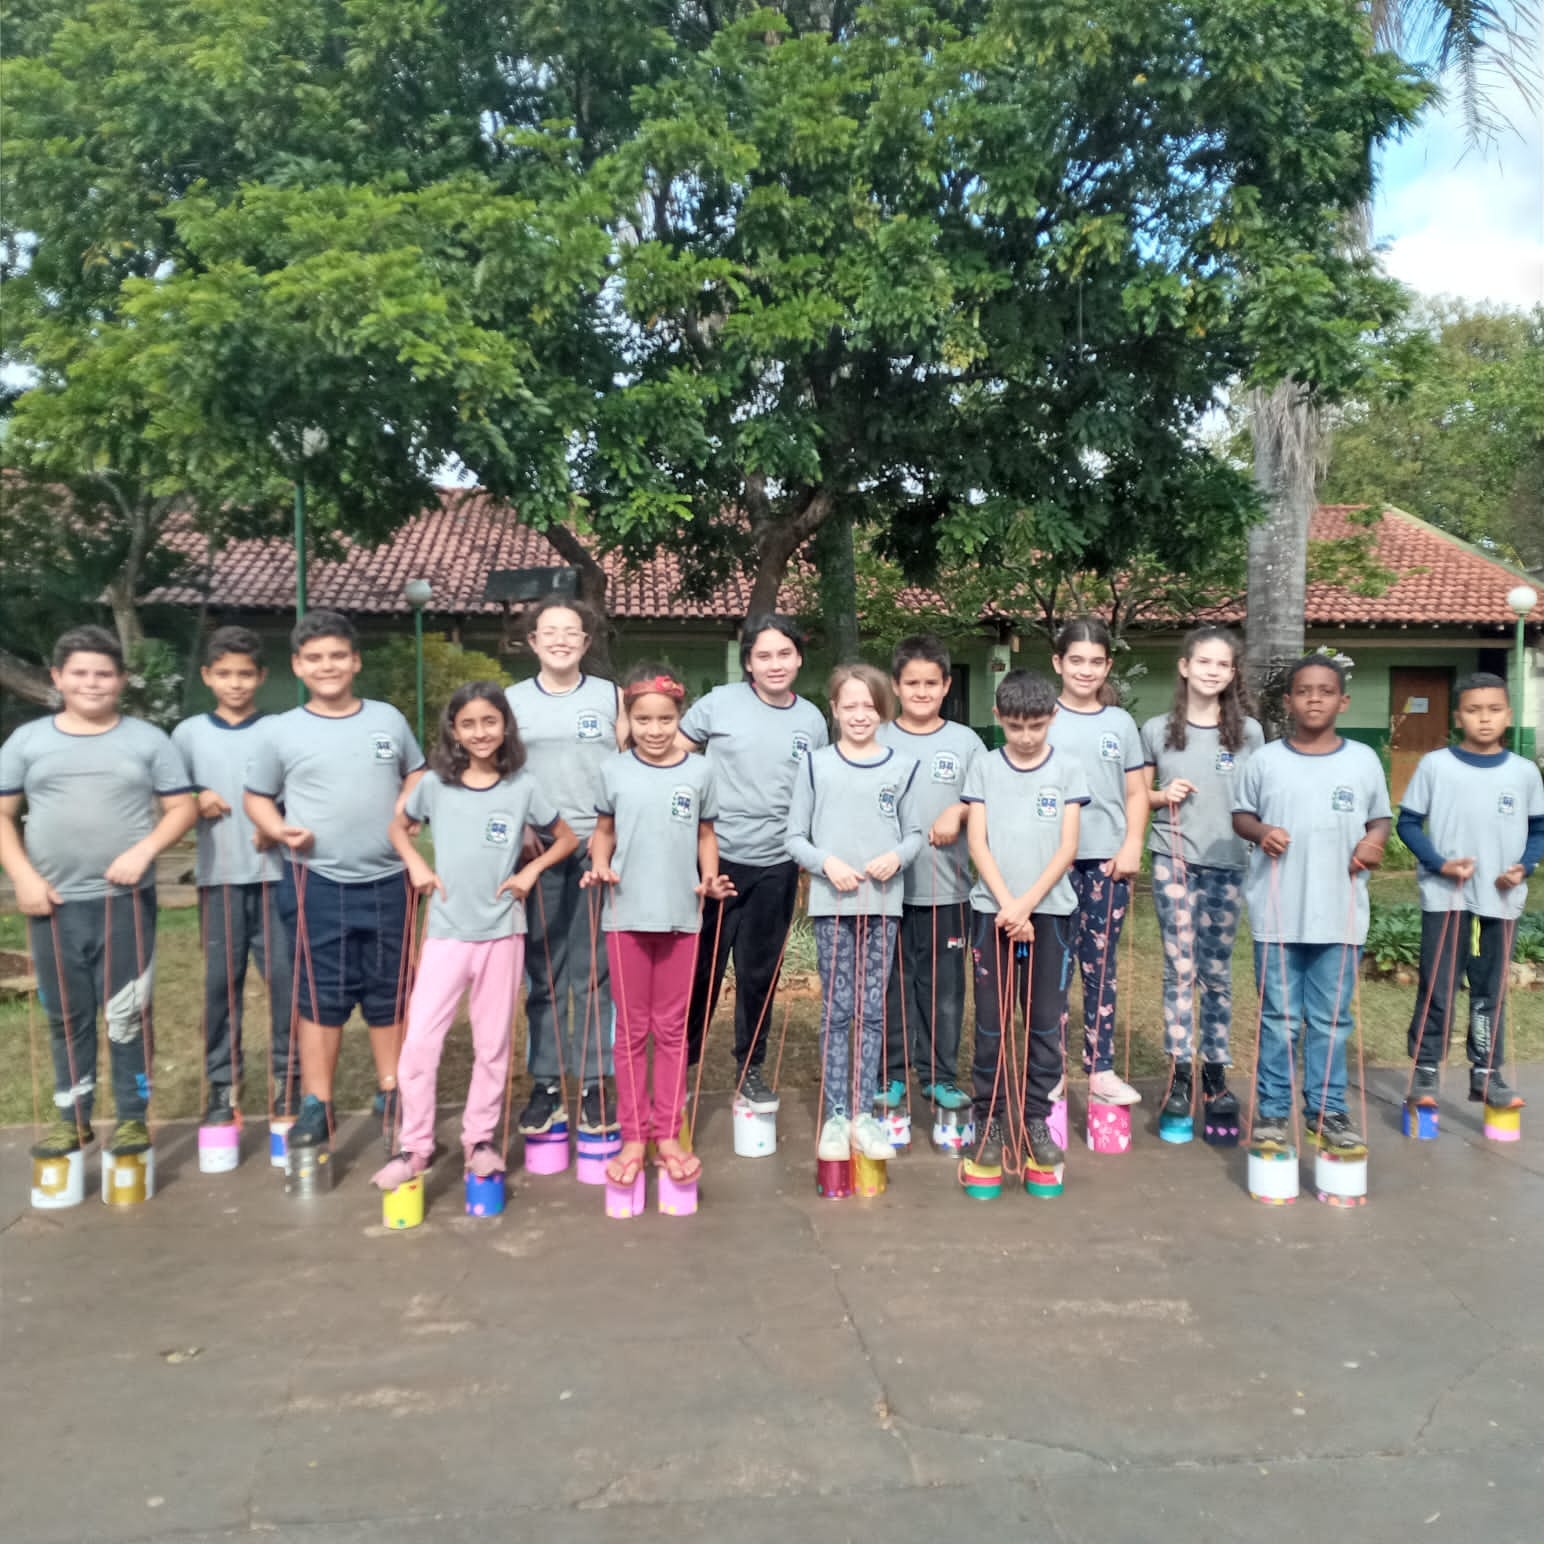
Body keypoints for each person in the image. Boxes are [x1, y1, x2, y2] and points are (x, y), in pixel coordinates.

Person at [0, 625, 197, 1158]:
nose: (92, 683)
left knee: (127, 1013)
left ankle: (132, 1118)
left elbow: (182, 808)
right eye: (80, 673)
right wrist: (23, 877)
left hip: (124, 903)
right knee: (67, 1013)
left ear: (122, 680)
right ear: (57, 677)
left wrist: (143, 852)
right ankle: (73, 1117)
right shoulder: (27, 742)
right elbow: (2, 815)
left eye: (104, 674)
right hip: (52, 903)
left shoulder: (148, 740)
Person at [373, 684, 578, 1190]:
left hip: (502, 933)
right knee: (420, 1043)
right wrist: (417, 865)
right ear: (454, 731)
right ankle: (415, 1146)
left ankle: (480, 1141)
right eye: (469, 724)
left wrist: (530, 873)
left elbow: (566, 838)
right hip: (446, 933)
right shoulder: (434, 785)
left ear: (505, 726)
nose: (480, 732)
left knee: (492, 1045)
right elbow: (398, 828)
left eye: (490, 721)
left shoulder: (522, 787)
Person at [244, 610, 425, 1151]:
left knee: (390, 989)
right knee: (320, 993)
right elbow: (256, 797)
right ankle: (316, 1102)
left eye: (338, 656)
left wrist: (407, 805)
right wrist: (278, 829)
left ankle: (392, 1090)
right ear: (298, 666)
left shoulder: (387, 720)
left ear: (355, 661)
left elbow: (416, 772)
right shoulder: (280, 731)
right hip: (315, 882)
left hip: (390, 879)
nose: (328, 666)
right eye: (315, 658)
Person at [1232, 654, 1392, 1152]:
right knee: (1279, 1020)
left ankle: (1327, 1110)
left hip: (1340, 917)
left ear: (1343, 701)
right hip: (1278, 915)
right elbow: (1241, 816)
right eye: (1304, 691)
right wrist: (1261, 832)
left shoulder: (1362, 760)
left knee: (1331, 1021)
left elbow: (1380, 819)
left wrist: (1374, 842)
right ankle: (1273, 1111)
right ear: (1288, 701)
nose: (1314, 699)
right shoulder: (1265, 760)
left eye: (1325, 691)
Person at [583, 664, 734, 1187]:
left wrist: (709, 879)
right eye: (642, 719)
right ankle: (633, 1136)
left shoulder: (700, 772)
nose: (654, 729)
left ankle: (668, 1133)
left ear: (679, 719)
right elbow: (603, 832)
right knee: (630, 1032)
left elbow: (706, 836)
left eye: (665, 719)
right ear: (627, 720)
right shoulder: (613, 771)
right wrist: (600, 865)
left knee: (671, 1031)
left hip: (681, 918)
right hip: (625, 917)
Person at [681, 614, 829, 1111]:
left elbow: (818, 790)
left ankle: (751, 1070)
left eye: (784, 653)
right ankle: (682, 1066)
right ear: (748, 662)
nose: (775, 664)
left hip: (777, 865)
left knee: (758, 975)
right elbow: (674, 758)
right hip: (714, 862)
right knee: (699, 971)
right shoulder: (717, 705)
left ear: (799, 657)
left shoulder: (812, 720)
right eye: (763, 655)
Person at [787, 663, 923, 1164]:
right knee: (836, 1010)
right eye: (850, 706)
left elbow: (915, 834)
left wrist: (896, 857)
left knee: (871, 1012)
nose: (860, 714)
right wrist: (826, 864)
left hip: (882, 906)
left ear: (882, 710)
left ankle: (864, 1114)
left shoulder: (902, 767)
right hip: (832, 905)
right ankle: (836, 1114)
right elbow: (794, 837)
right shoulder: (815, 765)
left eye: (869, 706)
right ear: (834, 710)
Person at [505, 598, 624, 1139]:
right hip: (542, 851)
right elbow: (502, 771)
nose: (560, 640)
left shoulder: (610, 696)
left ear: (585, 641)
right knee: (545, 972)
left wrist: (612, 831)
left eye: (570, 632)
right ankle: (547, 1085)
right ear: (532, 641)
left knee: (594, 971)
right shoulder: (512, 701)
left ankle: (596, 1083)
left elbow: (627, 767)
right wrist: (520, 827)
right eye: (548, 631)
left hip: (597, 848)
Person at [1398, 672, 1544, 1111]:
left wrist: (1524, 867)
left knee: (1489, 989)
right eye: (1474, 710)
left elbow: (1538, 830)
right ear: (1458, 716)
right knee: (1438, 985)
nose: (1484, 718)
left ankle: (1486, 1073)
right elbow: (1409, 823)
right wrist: (1440, 864)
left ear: (1509, 715)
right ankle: (1426, 1069)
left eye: (1494, 710)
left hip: (1500, 900)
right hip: (1447, 897)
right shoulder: (1435, 766)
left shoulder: (1524, 773)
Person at [1139, 626, 1263, 1133]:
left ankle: (1215, 1075)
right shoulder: (1156, 729)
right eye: (1204, 662)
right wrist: (1161, 794)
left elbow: (1258, 800)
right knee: (1180, 969)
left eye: (1222, 664)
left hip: (1229, 862)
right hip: (1173, 859)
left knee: (1216, 971)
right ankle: (1179, 1074)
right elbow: (1137, 796)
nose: (1212, 671)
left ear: (1232, 673)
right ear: (1184, 667)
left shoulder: (1250, 733)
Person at [962, 670, 1087, 1171]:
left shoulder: (1069, 769)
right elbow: (977, 843)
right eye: (1015, 726)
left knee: (1043, 1023)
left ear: (1052, 717)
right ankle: (989, 1118)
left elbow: (1068, 846)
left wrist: (1027, 905)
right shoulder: (984, 767)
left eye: (1036, 725)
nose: (1027, 736)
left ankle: (1036, 1117)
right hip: (991, 911)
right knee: (991, 1023)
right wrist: (1008, 906)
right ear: (998, 718)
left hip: (1050, 914)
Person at [172, 627, 296, 1129]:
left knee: (285, 981)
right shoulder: (187, 735)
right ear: (207, 676)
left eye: (245, 674)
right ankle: (223, 1084)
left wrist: (276, 822)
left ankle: (289, 1079)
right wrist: (194, 797)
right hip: (218, 880)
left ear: (262, 676)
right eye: (224, 674)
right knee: (221, 985)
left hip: (276, 878)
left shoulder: (282, 729)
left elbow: (303, 789)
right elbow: (167, 796)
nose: (236, 683)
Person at [875, 636, 982, 1113]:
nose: (921, 692)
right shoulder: (877, 737)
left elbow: (987, 801)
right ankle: (892, 1074)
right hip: (886, 891)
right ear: (896, 686)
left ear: (947, 686)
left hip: (948, 890)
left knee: (944, 991)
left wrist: (959, 810)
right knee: (892, 986)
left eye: (931, 683)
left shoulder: (966, 742)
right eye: (912, 683)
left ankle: (939, 1075)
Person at [1047, 618, 1148, 1106]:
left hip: (1106, 862)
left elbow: (1137, 792)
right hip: (1052, 864)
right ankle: (1051, 1068)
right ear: (1058, 663)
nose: (1085, 670)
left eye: (1095, 662)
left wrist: (1132, 844)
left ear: (1107, 666)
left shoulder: (1120, 723)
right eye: (1076, 660)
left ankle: (1100, 1068)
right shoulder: (1043, 717)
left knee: (1099, 966)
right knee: (1055, 967)